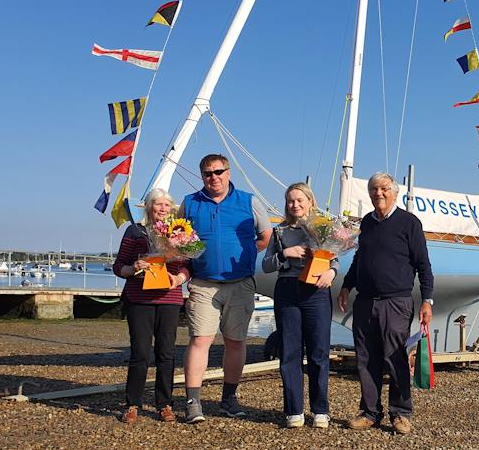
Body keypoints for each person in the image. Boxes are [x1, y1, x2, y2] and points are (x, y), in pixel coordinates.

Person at [337, 172, 433, 435]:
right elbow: (359, 260)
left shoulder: (409, 223)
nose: (378, 193)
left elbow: (423, 265)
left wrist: (427, 300)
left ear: (395, 192)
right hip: (365, 302)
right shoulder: (367, 223)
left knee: (396, 358)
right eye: (373, 189)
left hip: (396, 302)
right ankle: (370, 412)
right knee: (366, 359)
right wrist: (346, 286)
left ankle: (400, 413)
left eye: (384, 189)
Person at [180, 154, 272, 423]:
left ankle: (229, 399)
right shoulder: (190, 203)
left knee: (235, 341)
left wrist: (245, 254)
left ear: (228, 172)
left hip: (239, 284)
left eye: (219, 171)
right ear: (202, 176)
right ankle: (193, 401)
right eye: (208, 173)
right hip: (203, 283)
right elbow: (178, 238)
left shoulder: (248, 201)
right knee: (200, 340)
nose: (214, 177)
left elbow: (265, 236)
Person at [262, 183, 337, 429]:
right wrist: (286, 254)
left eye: (300, 200)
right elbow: (266, 265)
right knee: (290, 352)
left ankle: (320, 410)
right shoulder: (279, 231)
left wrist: (332, 273)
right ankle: (294, 410)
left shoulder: (324, 228)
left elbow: (338, 258)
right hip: (287, 290)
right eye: (291, 201)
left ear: (310, 201)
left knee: (318, 352)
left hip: (316, 290)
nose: (295, 205)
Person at [114, 188, 190, 424]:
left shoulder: (182, 234)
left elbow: (191, 266)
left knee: (166, 354)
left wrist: (178, 279)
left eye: (167, 205)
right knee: (140, 353)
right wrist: (134, 266)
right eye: (158, 204)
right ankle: (132, 404)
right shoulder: (135, 231)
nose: (162, 209)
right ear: (148, 207)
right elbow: (119, 267)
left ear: (173, 209)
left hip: (169, 299)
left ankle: (164, 404)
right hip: (139, 299)